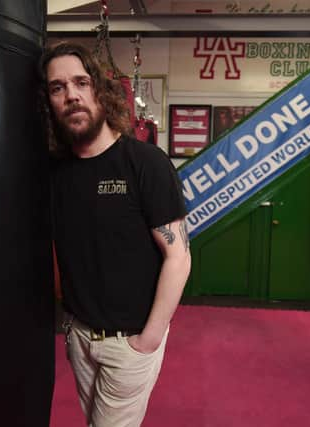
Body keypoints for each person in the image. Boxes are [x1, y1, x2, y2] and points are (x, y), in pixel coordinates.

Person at [40, 42, 191, 427]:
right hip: (79, 336)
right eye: (58, 88)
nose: (71, 95)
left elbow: (178, 256)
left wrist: (150, 339)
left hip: (130, 342)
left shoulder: (144, 163)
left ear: (101, 91)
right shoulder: (55, 172)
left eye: (81, 82)